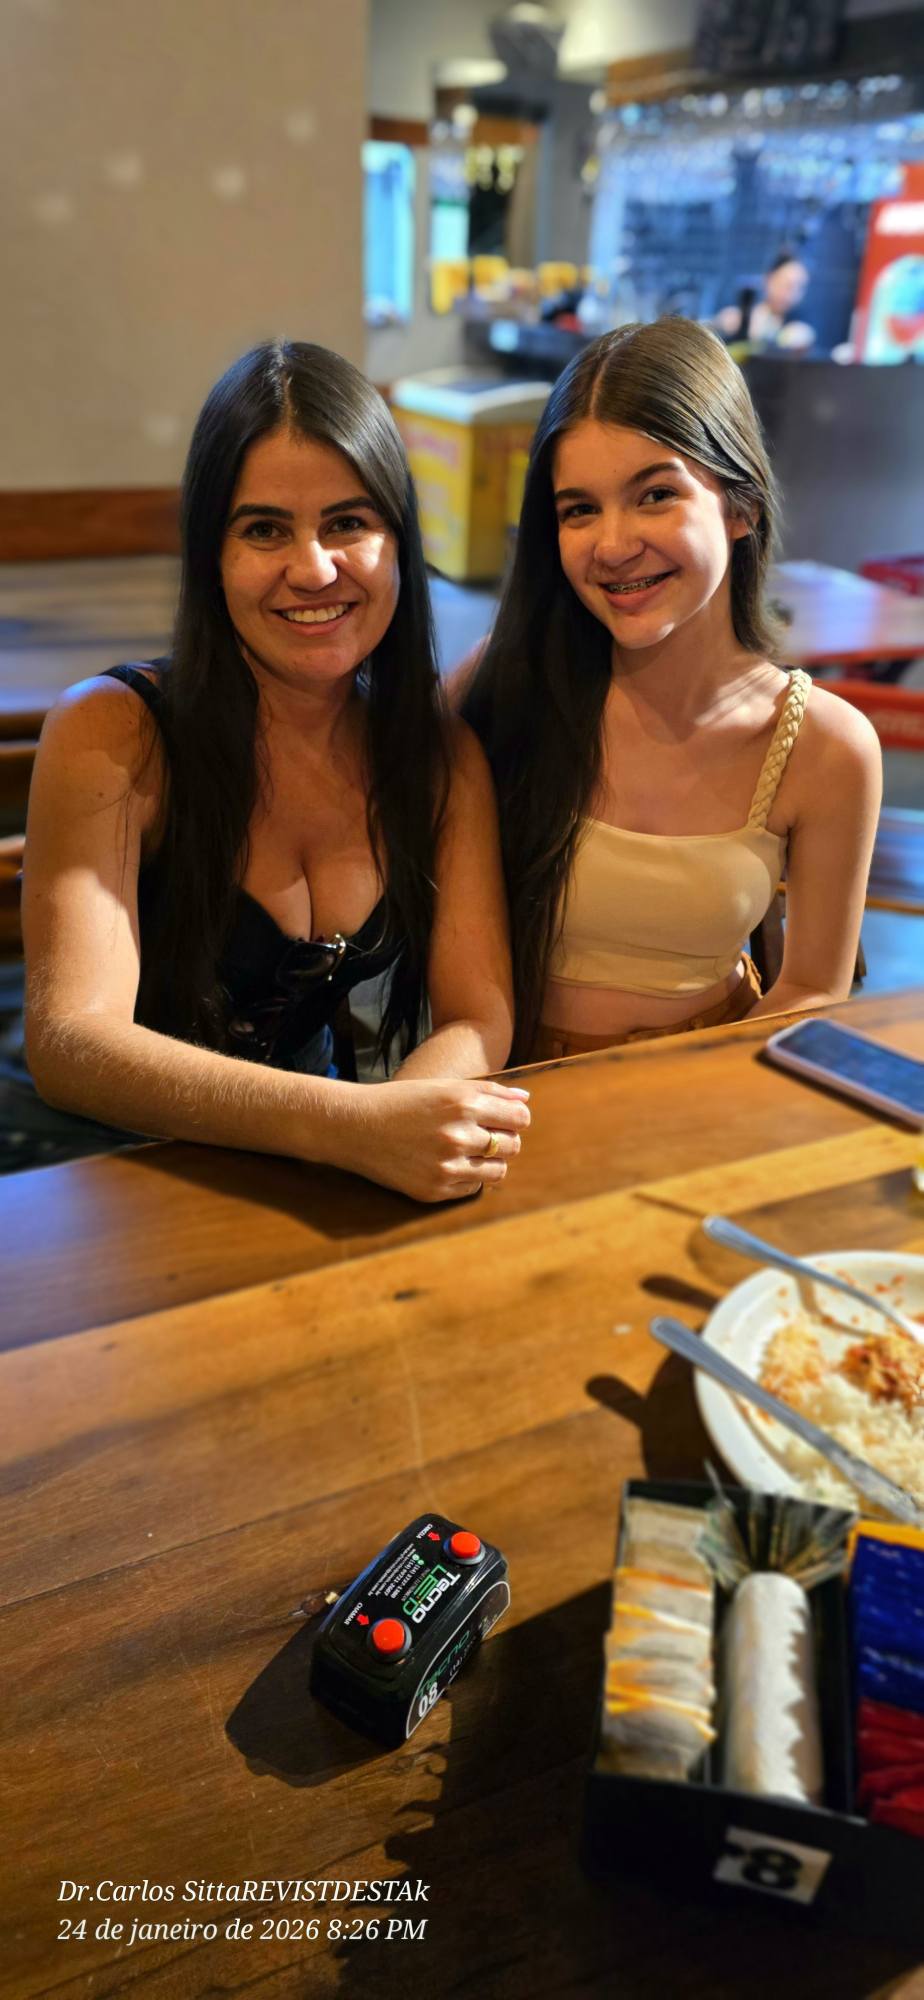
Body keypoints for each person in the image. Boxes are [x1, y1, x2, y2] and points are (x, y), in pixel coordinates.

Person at [23, 342, 530, 1201]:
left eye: (348, 523)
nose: (314, 568)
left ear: (400, 541)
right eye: (264, 529)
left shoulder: (438, 759)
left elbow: (479, 1015)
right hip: (101, 1177)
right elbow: (73, 1041)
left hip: (308, 1177)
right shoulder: (114, 729)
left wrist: (396, 1128)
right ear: (211, 556)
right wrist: (355, 1129)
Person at [460, 317, 881, 1064]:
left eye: (655, 495)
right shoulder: (507, 680)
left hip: (712, 1078)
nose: (613, 545)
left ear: (741, 505)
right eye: (579, 509)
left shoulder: (825, 744)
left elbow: (813, 989)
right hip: (515, 1086)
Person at [715, 251, 815, 351]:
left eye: (800, 287)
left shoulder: (797, 329)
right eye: (787, 285)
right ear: (769, 279)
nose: (792, 294)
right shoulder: (738, 317)